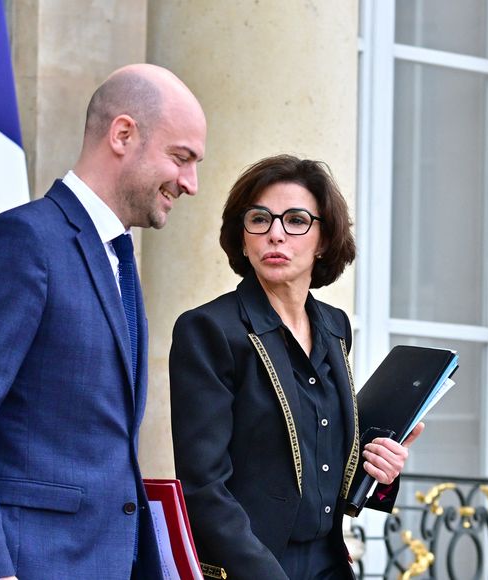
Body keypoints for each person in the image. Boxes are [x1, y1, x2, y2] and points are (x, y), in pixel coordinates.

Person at [0, 63, 207, 580]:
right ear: (123, 134)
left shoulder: (118, 258)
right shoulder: (22, 242)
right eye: (181, 158)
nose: (190, 183)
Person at [169, 154, 423, 580]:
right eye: (260, 219)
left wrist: (381, 467)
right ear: (243, 236)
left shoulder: (335, 327)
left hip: (329, 565)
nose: (275, 235)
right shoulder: (209, 330)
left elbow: (322, 456)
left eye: (296, 220)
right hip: (249, 569)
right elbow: (203, 487)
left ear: (323, 239)